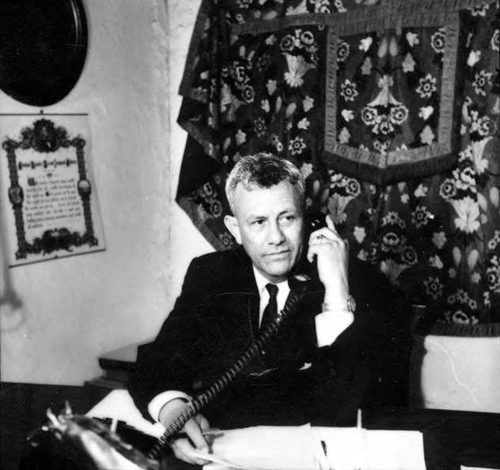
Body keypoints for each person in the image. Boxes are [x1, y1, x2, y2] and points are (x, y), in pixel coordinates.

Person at [128, 153, 410, 466]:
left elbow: (354, 407)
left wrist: (336, 296)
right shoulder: (211, 275)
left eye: (287, 218)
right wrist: (173, 410)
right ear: (235, 229)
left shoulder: (362, 284)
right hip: (221, 456)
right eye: (258, 222)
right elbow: (160, 359)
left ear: (307, 219)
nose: (276, 238)